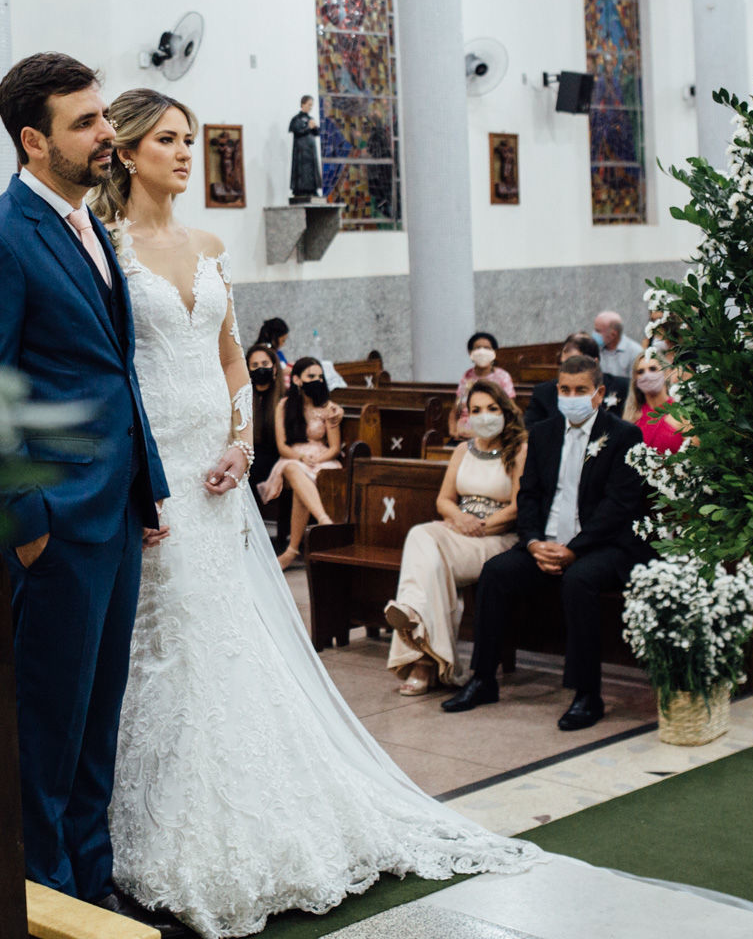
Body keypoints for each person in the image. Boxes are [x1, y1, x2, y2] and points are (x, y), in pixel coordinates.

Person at [92, 87, 535, 939]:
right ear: (127, 152)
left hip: (215, 471)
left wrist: (238, 445)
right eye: (168, 141)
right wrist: (144, 470)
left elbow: (230, 364)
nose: (187, 154)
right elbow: (115, 371)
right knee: (167, 644)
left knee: (234, 641)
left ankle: (259, 812)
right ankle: (155, 827)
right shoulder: (107, 251)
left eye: (190, 139)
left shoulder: (209, 243)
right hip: (154, 473)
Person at [0, 53, 172, 912]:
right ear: (34, 141)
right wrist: (27, 523)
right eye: (86, 123)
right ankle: (46, 902)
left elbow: (113, 373)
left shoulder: (87, 227)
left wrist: (145, 488)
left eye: (104, 116)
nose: (107, 134)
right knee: (47, 730)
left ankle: (92, 886)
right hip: (55, 522)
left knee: (96, 725)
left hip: (111, 510)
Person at [441, 354, 650, 732]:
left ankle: (587, 694)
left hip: (604, 547)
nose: (572, 396)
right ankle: (483, 679)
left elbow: (618, 506)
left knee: (579, 580)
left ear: (598, 393)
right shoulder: (543, 433)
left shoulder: (623, 437)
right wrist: (535, 541)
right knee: (496, 572)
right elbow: (530, 496)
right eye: (565, 390)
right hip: (547, 542)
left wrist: (574, 549)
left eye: (581, 390)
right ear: (557, 392)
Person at [388, 379, 528, 693]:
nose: (484, 415)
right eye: (476, 410)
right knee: (422, 537)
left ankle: (420, 647)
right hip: (459, 530)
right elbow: (443, 500)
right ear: (467, 415)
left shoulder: (518, 449)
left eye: (491, 408)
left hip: (497, 539)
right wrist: (460, 518)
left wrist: (482, 524)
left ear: (504, 410)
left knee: (432, 560)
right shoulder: (463, 450)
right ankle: (428, 655)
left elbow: (519, 506)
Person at [259, 357, 342, 571]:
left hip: (323, 460)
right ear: (297, 379)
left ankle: (291, 551)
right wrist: (302, 458)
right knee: (293, 469)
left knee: (300, 487)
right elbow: (282, 445)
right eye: (310, 376)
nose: (316, 380)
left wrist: (317, 459)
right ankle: (325, 522)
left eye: (319, 377)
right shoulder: (285, 406)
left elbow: (334, 447)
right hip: (293, 458)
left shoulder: (328, 408)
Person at [524, 332, 628, 427]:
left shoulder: (621, 387)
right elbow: (531, 430)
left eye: (575, 364)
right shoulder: (544, 392)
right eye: (563, 365)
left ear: (595, 363)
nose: (567, 371)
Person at [448, 331, 516, 441]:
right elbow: (455, 410)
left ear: (494, 352)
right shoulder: (467, 376)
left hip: (490, 435)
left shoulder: (502, 376)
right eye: (478, 348)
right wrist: (453, 431)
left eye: (487, 348)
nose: (482, 351)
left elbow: (510, 410)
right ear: (470, 352)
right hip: (461, 437)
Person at [243, 342, 282, 509]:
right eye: (255, 365)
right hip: (251, 457)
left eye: (265, 364)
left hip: (277, 456)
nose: (260, 369)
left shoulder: (283, 398)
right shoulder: (244, 399)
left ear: (274, 368)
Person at [623, 350, 686, 454]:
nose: (647, 375)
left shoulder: (683, 414)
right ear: (635, 379)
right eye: (640, 372)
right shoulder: (631, 417)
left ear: (666, 373)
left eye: (653, 369)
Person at [288, 95, 322, 202]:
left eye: (312, 105)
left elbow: (317, 133)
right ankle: (301, 190)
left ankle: (312, 189)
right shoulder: (296, 119)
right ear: (303, 104)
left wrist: (315, 127)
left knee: (312, 171)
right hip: (301, 153)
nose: (310, 107)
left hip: (311, 153)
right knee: (302, 172)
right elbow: (298, 131)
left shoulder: (310, 119)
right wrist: (308, 127)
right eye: (309, 105)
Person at [594, 311, 643, 382]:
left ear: (613, 334)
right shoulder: (595, 349)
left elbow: (635, 384)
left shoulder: (635, 352)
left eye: (598, 331)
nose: (595, 334)